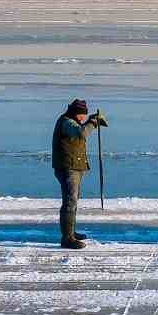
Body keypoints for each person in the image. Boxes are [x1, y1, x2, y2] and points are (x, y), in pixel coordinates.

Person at [51, 98, 107, 249]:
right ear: (75, 113)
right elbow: (81, 133)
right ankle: (67, 238)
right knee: (70, 201)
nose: (83, 117)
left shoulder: (72, 121)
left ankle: (71, 232)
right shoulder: (67, 122)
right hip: (68, 168)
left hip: (74, 167)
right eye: (82, 115)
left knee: (72, 201)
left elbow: (81, 128)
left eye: (85, 115)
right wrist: (93, 123)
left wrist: (90, 120)